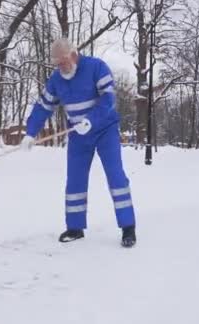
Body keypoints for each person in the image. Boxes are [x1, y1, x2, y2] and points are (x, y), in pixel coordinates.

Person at [20, 38, 137, 248]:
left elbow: (109, 99)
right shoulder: (57, 79)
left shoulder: (96, 67)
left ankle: (128, 227)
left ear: (74, 55)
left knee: (116, 176)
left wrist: (91, 120)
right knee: (74, 180)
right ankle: (75, 227)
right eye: (57, 64)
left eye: (63, 62)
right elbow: (43, 107)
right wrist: (30, 133)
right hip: (77, 134)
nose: (61, 67)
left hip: (105, 130)